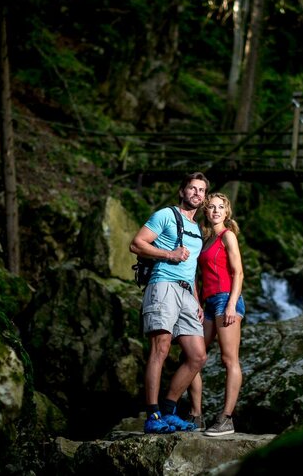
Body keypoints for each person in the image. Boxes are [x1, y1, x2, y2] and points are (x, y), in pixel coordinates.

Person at [129, 172, 209, 433]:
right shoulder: (165, 215)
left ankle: (168, 410)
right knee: (160, 350)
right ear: (182, 191)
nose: (197, 193)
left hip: (187, 294)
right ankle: (153, 417)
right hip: (162, 285)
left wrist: (196, 300)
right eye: (192, 188)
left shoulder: (197, 229)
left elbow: (192, 269)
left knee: (197, 356)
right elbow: (136, 243)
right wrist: (169, 254)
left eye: (202, 190)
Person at [188, 192, 245, 437]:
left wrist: (232, 304)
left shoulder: (227, 235)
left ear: (226, 211)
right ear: (206, 212)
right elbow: (199, 276)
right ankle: (196, 415)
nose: (215, 211)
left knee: (228, 359)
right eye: (211, 207)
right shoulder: (206, 239)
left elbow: (238, 272)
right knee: (193, 357)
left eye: (220, 207)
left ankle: (226, 418)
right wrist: (198, 303)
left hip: (225, 300)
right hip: (208, 304)